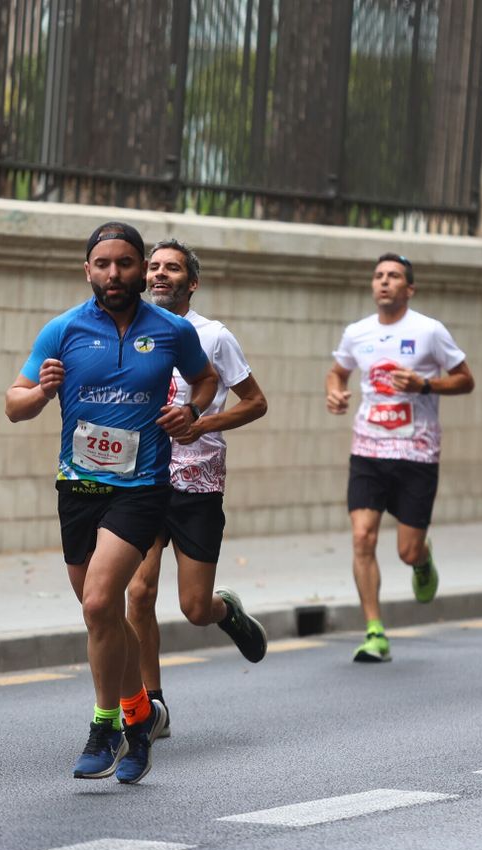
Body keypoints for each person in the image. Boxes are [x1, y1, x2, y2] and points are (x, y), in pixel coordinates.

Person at [5, 222, 219, 783]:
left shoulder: (170, 330)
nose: (115, 274)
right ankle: (140, 716)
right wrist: (42, 391)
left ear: (140, 267)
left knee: (102, 602)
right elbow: (14, 404)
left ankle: (105, 728)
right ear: (88, 270)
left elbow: (205, 380)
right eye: (103, 264)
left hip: (141, 487)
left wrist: (192, 412)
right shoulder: (64, 330)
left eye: (126, 263)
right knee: (100, 614)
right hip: (78, 488)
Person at [126, 240, 270, 737]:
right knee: (139, 593)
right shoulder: (129, 329)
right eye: (155, 267)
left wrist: (203, 424)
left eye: (173, 268)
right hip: (142, 478)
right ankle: (152, 707)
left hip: (198, 482)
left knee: (193, 608)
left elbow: (255, 402)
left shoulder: (214, 337)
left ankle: (225, 610)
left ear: (192, 282)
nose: (160, 274)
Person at [325, 253, 474, 663]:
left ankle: (422, 561)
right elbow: (338, 371)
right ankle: (375, 631)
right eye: (378, 276)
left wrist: (425, 385)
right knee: (362, 537)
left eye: (393, 276)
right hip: (369, 449)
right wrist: (335, 391)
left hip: (416, 453)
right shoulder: (358, 332)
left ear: (409, 289)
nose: (384, 282)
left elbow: (466, 380)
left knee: (407, 550)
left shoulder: (429, 331)